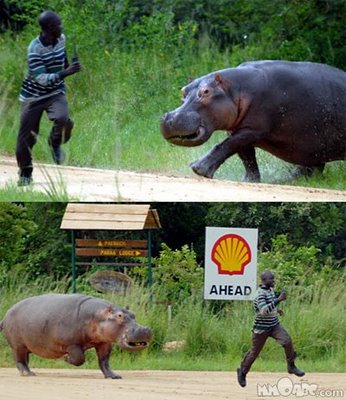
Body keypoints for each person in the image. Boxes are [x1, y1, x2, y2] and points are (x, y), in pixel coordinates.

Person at [16, 10, 81, 186]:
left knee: (63, 119)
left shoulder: (61, 39)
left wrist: (70, 66)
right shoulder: (34, 49)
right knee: (26, 138)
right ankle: (25, 173)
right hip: (33, 96)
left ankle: (55, 144)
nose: (61, 27)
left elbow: (62, 60)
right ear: (49, 28)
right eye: (58, 24)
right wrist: (66, 72)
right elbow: (42, 79)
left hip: (55, 92)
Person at [237, 270, 305, 387]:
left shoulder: (270, 290)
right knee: (254, 352)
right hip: (261, 328)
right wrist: (278, 300)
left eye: (273, 279)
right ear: (264, 281)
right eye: (271, 279)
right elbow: (263, 310)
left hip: (274, 325)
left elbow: (269, 306)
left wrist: (276, 310)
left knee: (287, 341)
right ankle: (242, 372)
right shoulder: (260, 294)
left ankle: (291, 366)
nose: (273, 281)